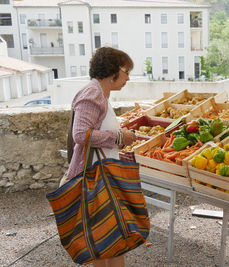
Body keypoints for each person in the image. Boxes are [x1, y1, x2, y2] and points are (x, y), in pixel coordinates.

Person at [63, 47, 136, 267]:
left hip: (102, 177)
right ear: (113, 70)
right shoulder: (93, 93)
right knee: (108, 241)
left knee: (110, 241)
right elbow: (80, 135)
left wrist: (121, 139)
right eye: (126, 71)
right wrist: (118, 136)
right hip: (94, 179)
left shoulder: (100, 94)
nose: (128, 78)